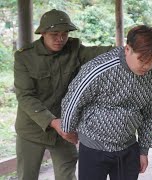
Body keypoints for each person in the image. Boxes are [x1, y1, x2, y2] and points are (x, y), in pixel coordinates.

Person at [14, 9, 113, 180]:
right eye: (54, 34)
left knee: (67, 176)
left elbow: (98, 53)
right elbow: (25, 96)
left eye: (64, 34)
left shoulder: (74, 49)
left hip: (64, 128)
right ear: (43, 33)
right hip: (32, 129)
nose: (60, 39)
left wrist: (130, 49)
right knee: (27, 176)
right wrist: (53, 122)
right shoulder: (25, 57)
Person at [60, 25, 152, 180]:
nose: (147, 66)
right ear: (128, 49)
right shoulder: (98, 69)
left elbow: (151, 113)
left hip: (128, 147)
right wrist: (68, 129)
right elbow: (73, 100)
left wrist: (143, 150)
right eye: (142, 60)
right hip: (93, 147)